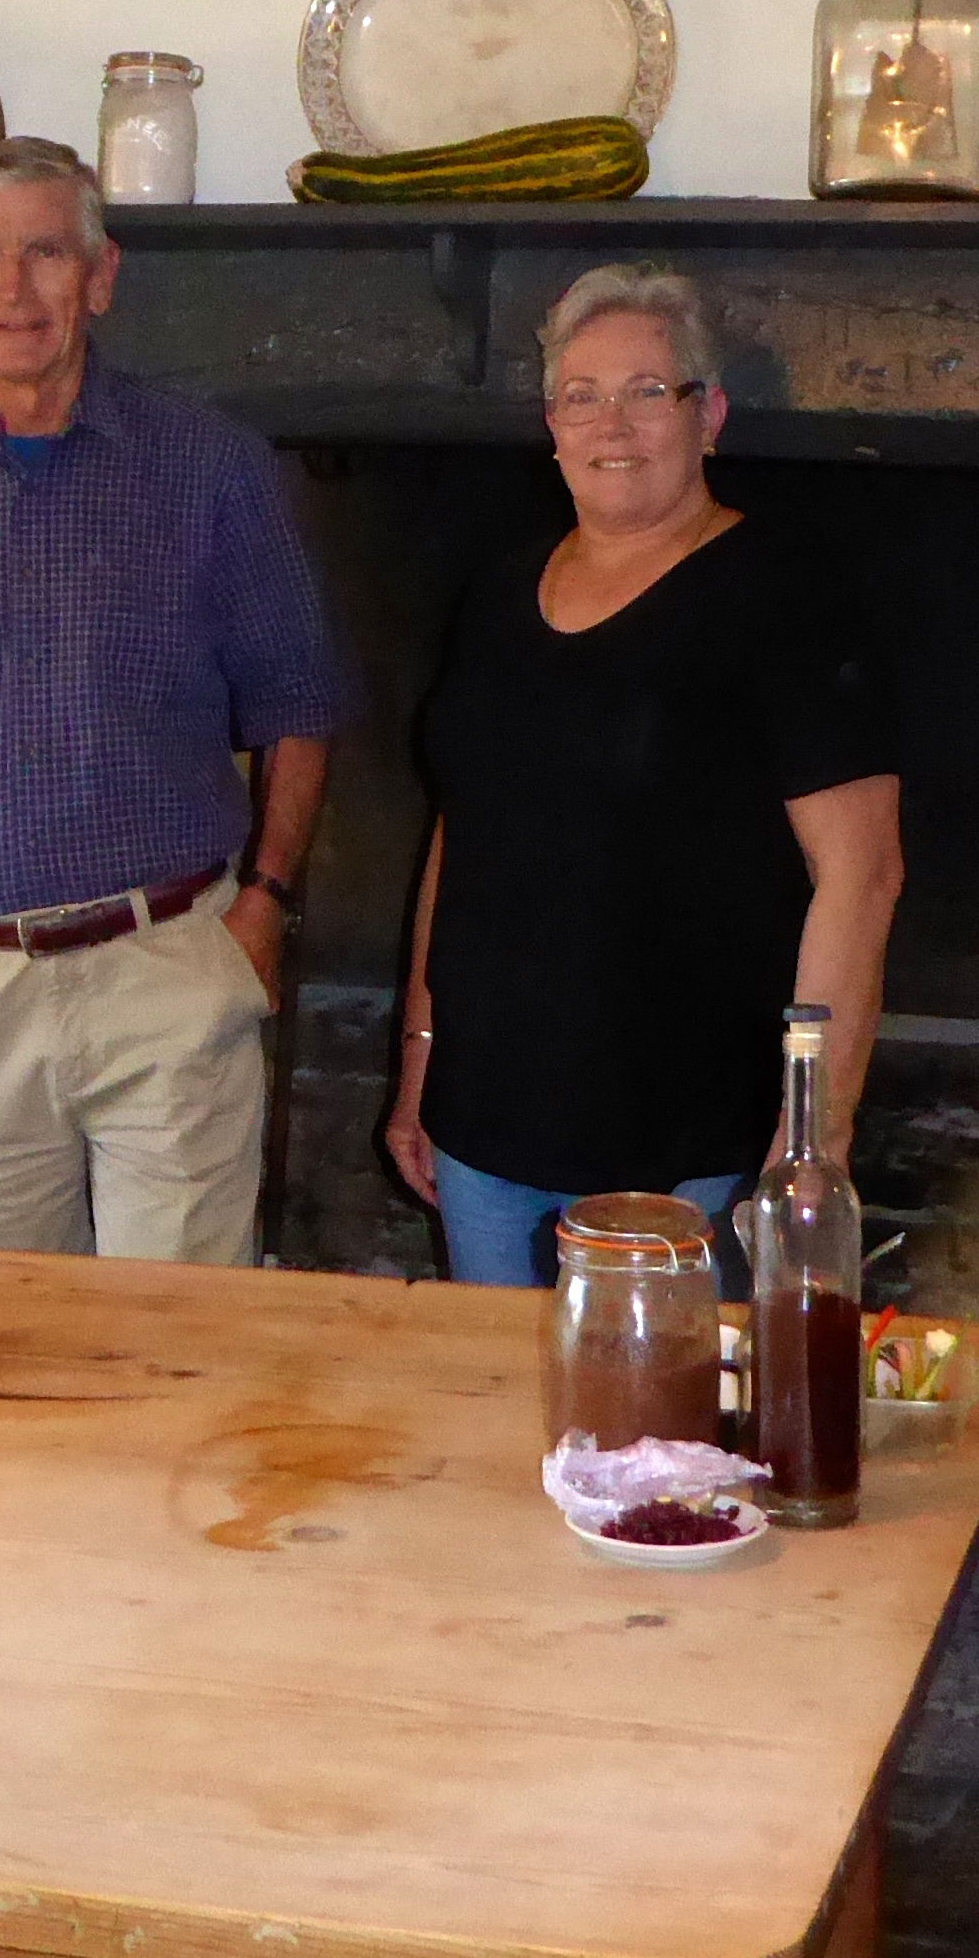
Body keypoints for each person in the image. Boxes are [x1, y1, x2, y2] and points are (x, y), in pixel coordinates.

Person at [0, 136, 347, 1263]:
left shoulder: (212, 471)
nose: (16, 287)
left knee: (176, 1351)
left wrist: (266, 909)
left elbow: (299, 698)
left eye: (48, 252)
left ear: (101, 277)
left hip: (166, 975)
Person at [386, 265, 905, 1286]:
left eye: (646, 392)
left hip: (682, 1150)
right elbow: (464, 828)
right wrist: (420, 1052)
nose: (611, 423)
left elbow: (864, 874)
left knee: (658, 1442)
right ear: (552, 425)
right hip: (483, 1129)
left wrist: (813, 1142)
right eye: (582, 396)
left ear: (706, 415)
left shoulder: (782, 592)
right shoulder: (498, 590)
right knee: (502, 1423)